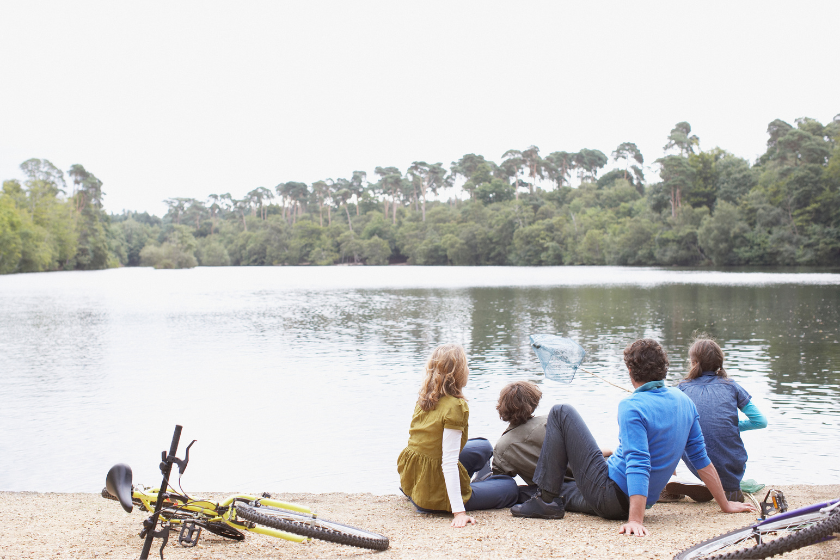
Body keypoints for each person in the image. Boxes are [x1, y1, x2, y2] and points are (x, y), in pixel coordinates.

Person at [511, 338, 756, 536]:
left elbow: (639, 461)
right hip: (623, 493)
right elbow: (701, 458)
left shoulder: (632, 406)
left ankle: (544, 500)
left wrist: (635, 520)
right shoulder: (684, 401)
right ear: (664, 369)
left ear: (630, 371)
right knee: (566, 485)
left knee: (561, 412)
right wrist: (725, 503)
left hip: (612, 497)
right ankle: (542, 494)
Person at [397, 343, 519, 528]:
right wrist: (459, 512)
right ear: (459, 373)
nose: (468, 369)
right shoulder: (455, 407)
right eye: (466, 366)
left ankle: (472, 484)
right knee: (509, 486)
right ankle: (466, 491)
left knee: (483, 446)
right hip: (433, 495)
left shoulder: (425, 398)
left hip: (416, 480)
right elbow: (448, 462)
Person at [667, 337, 767, 502]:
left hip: (697, 464)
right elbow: (760, 421)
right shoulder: (732, 386)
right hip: (731, 468)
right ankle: (730, 488)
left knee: (675, 432)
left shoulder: (682, 388)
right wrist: (731, 427)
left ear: (694, 363)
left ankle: (670, 481)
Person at [492, 380, 612, 488]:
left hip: (563, 490)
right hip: (597, 478)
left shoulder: (501, 448)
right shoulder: (552, 422)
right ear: (533, 402)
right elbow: (588, 454)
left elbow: (501, 481)